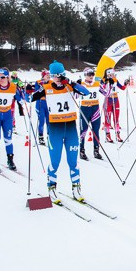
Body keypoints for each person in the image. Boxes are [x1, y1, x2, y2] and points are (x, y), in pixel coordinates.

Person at [30, 61, 90, 203]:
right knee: (55, 162)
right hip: (55, 129)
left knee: (73, 161)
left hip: (70, 129)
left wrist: (71, 82)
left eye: (60, 75)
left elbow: (86, 92)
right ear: (51, 76)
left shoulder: (70, 86)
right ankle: (52, 188)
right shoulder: (46, 88)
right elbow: (30, 98)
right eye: (55, 76)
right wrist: (30, 89)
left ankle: (76, 188)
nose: (58, 78)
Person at [78, 67, 103, 160]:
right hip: (84, 109)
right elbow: (76, 95)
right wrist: (77, 86)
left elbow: (107, 93)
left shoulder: (97, 84)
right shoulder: (81, 84)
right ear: (85, 75)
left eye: (92, 74)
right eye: (89, 74)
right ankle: (81, 150)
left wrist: (107, 84)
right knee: (83, 131)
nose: (91, 76)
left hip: (95, 110)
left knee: (96, 131)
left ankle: (96, 151)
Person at [100, 68, 128, 143]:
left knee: (116, 118)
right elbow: (101, 90)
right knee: (107, 119)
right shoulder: (103, 80)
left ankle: (118, 134)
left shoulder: (115, 79)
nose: (112, 75)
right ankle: (108, 135)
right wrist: (107, 84)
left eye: (113, 74)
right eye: (111, 74)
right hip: (108, 100)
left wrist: (125, 84)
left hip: (115, 99)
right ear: (107, 74)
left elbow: (122, 88)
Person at [33, 70, 50, 145]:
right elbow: (36, 92)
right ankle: (41, 137)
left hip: (48, 103)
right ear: (43, 76)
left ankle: (49, 136)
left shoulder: (51, 82)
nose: (48, 76)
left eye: (49, 75)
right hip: (40, 103)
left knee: (49, 121)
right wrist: (41, 87)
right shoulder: (38, 82)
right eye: (47, 75)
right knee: (42, 121)